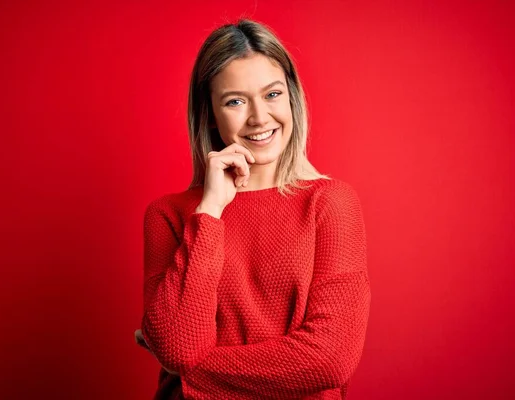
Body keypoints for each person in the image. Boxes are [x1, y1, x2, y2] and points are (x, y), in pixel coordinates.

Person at [134, 19, 371, 400]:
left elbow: (331, 358)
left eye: (272, 94)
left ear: (291, 97)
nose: (259, 118)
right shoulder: (168, 215)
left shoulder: (330, 204)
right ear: (210, 112)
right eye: (236, 101)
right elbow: (179, 346)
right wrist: (210, 210)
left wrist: (189, 373)